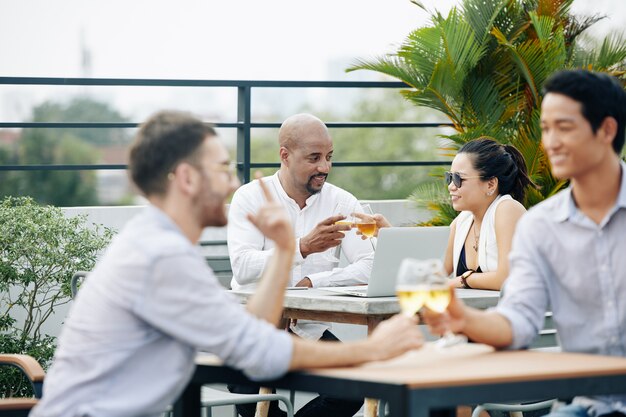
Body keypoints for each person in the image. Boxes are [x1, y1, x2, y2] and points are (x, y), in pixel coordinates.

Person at [30, 111, 424, 417]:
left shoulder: (156, 242)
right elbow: (258, 349)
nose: (234, 184)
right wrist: (373, 350)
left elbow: (247, 330)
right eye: (222, 169)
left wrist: (288, 250)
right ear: (186, 178)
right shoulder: (160, 257)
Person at [424, 70, 626, 417]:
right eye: (546, 129)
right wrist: (461, 317)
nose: (551, 142)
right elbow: (517, 320)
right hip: (589, 405)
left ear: (606, 130)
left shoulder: (511, 214)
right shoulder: (540, 226)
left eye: (564, 127)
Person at [227, 113, 376, 417]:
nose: (325, 167)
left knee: (356, 386)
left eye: (329, 157)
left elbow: (372, 264)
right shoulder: (250, 197)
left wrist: (314, 284)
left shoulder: (342, 201)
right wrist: (301, 247)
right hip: (254, 327)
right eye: (314, 158)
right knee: (249, 393)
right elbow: (243, 266)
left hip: (308, 328)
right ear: (285, 155)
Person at [355, 137, 533, 290]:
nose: (451, 186)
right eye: (450, 177)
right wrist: (388, 234)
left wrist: (463, 279)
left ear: (490, 184)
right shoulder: (462, 222)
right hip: (467, 323)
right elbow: (433, 275)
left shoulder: (507, 209)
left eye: (458, 179)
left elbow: (507, 277)